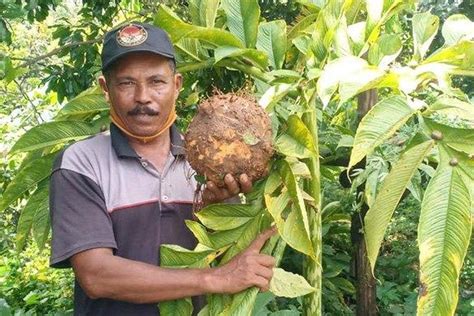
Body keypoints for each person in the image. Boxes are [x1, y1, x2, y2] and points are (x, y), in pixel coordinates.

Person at [49, 22, 276, 315]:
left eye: (157, 81)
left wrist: (218, 208)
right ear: (106, 88)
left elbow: (221, 251)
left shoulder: (210, 159)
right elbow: (96, 275)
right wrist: (215, 279)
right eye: (126, 83)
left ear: (177, 85)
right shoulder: (80, 163)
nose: (143, 96)